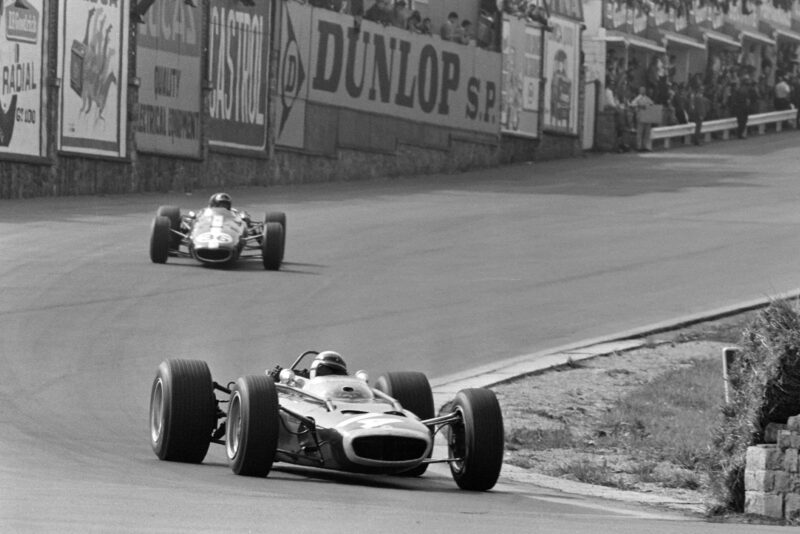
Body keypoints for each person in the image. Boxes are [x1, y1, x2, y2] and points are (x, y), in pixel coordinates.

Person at [630, 86, 654, 151]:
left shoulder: (647, 98)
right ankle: (639, 147)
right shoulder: (637, 98)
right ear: (639, 91)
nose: (643, 91)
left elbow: (652, 104)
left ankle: (645, 146)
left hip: (647, 117)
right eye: (642, 90)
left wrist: (649, 106)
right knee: (640, 132)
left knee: (647, 133)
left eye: (644, 90)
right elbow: (632, 104)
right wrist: (639, 106)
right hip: (640, 117)